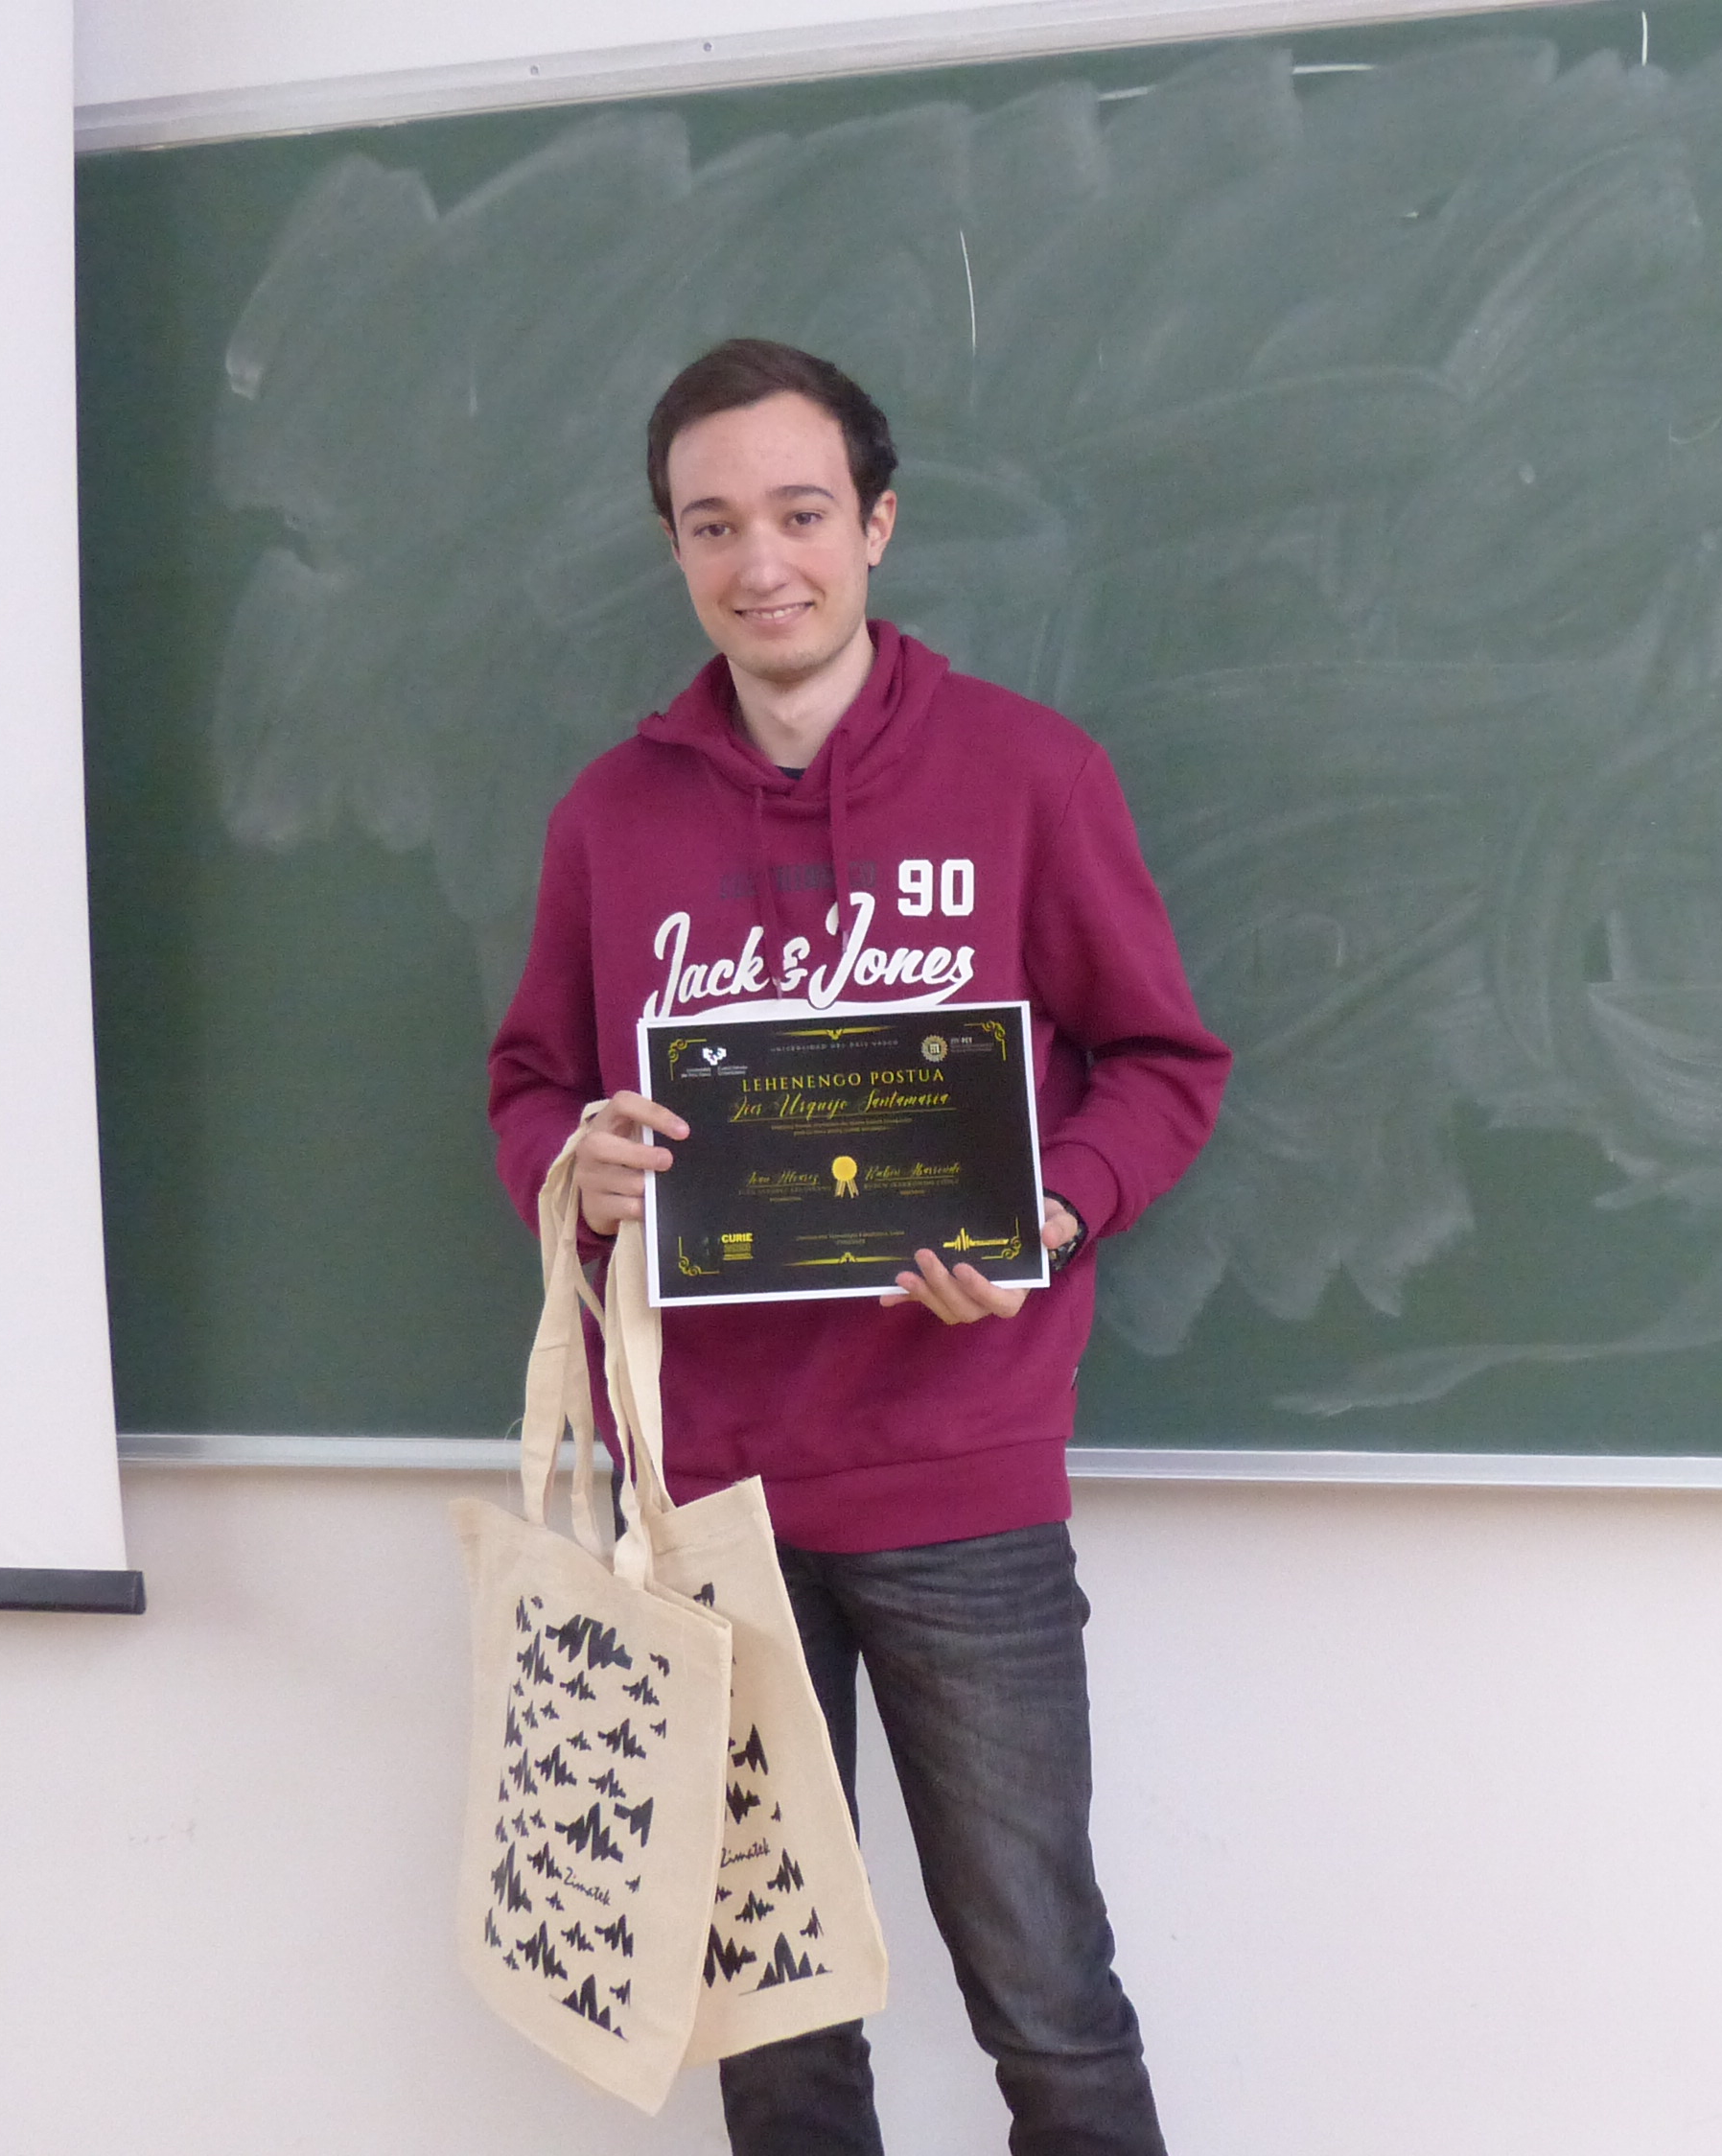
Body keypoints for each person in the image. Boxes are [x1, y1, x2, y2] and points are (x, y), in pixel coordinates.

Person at [485, 337, 1230, 2156]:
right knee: (778, 2026)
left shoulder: (1030, 776)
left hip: (961, 1486)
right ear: (675, 548)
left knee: (1045, 1998)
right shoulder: (611, 817)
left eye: (803, 513)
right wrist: (576, 1171)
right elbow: (531, 1085)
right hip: (705, 1510)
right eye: (713, 525)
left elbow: (1164, 1063)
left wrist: (1053, 1206)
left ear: (879, 524)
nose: (763, 563)